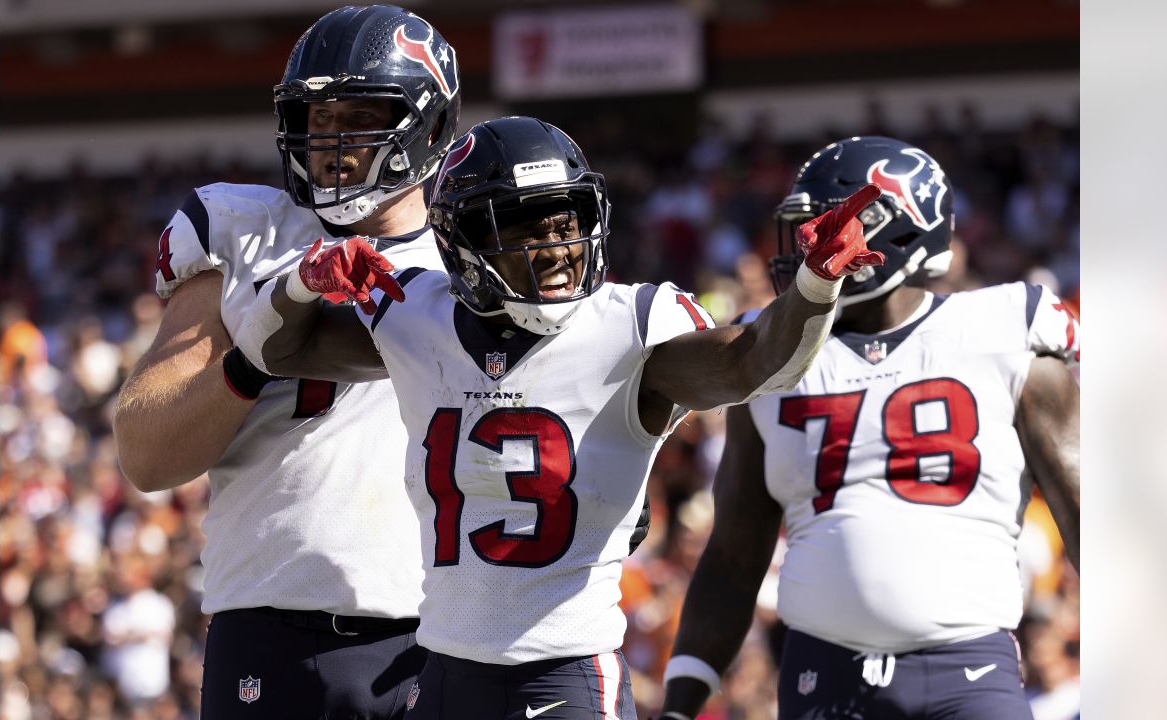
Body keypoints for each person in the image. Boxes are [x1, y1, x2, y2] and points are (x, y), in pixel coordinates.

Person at [233, 116, 884, 719]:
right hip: (443, 675)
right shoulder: (413, 313)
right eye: (526, 227)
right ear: (463, 240)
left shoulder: (629, 329)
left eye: (565, 220)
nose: (556, 247)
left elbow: (753, 364)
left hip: (563, 677)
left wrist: (814, 286)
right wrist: (300, 285)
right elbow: (273, 349)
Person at [111, 5, 462, 718]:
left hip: (450, 633)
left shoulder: (473, 262)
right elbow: (146, 454)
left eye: (359, 115)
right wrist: (256, 351)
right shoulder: (243, 233)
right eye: (318, 118)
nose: (332, 141)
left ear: (426, 126)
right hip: (272, 632)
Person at [658, 136, 1080, 720]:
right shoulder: (768, 359)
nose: (806, 246)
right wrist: (681, 703)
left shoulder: (1004, 332)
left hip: (972, 673)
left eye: (824, 227)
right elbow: (734, 553)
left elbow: (1092, 524)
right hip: (820, 674)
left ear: (896, 228)